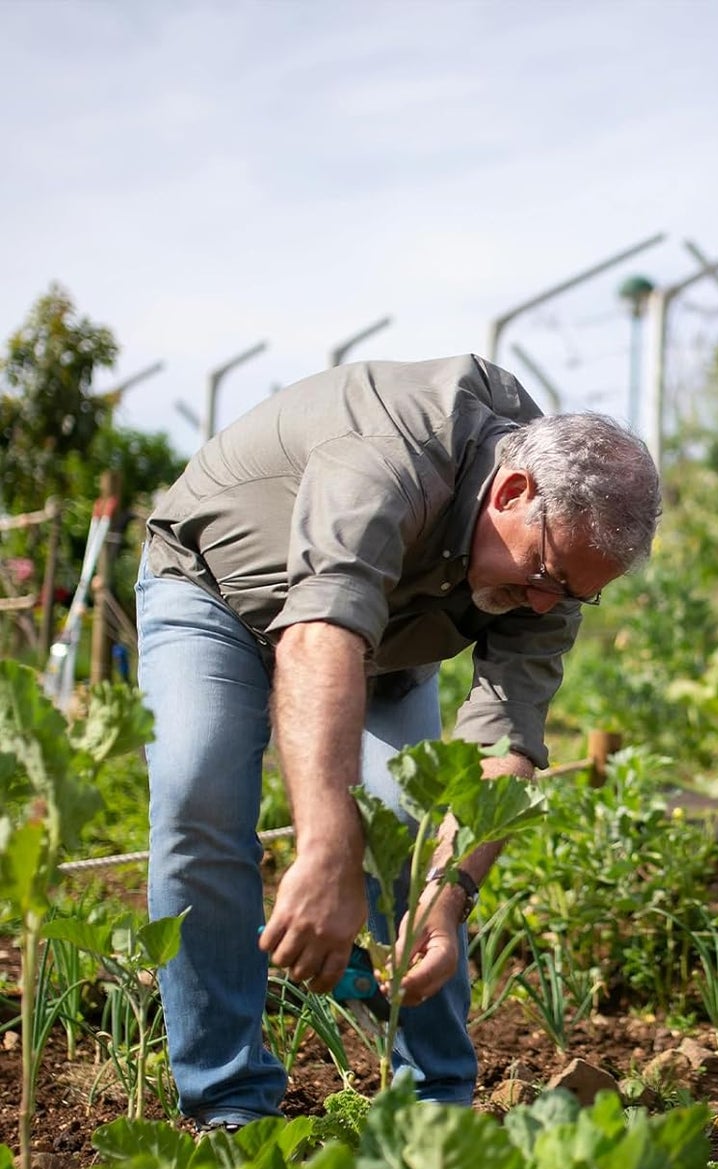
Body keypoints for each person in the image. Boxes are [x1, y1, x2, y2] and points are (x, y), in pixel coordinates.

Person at [138, 354, 660, 1128]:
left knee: (415, 828)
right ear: (510, 492)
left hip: (384, 641)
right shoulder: (389, 450)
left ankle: (434, 1107)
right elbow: (319, 637)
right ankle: (230, 1105)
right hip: (218, 591)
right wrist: (326, 851)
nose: (548, 602)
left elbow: (504, 745)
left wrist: (446, 903)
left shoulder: (553, 571)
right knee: (199, 792)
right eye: (546, 572)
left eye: (573, 592)